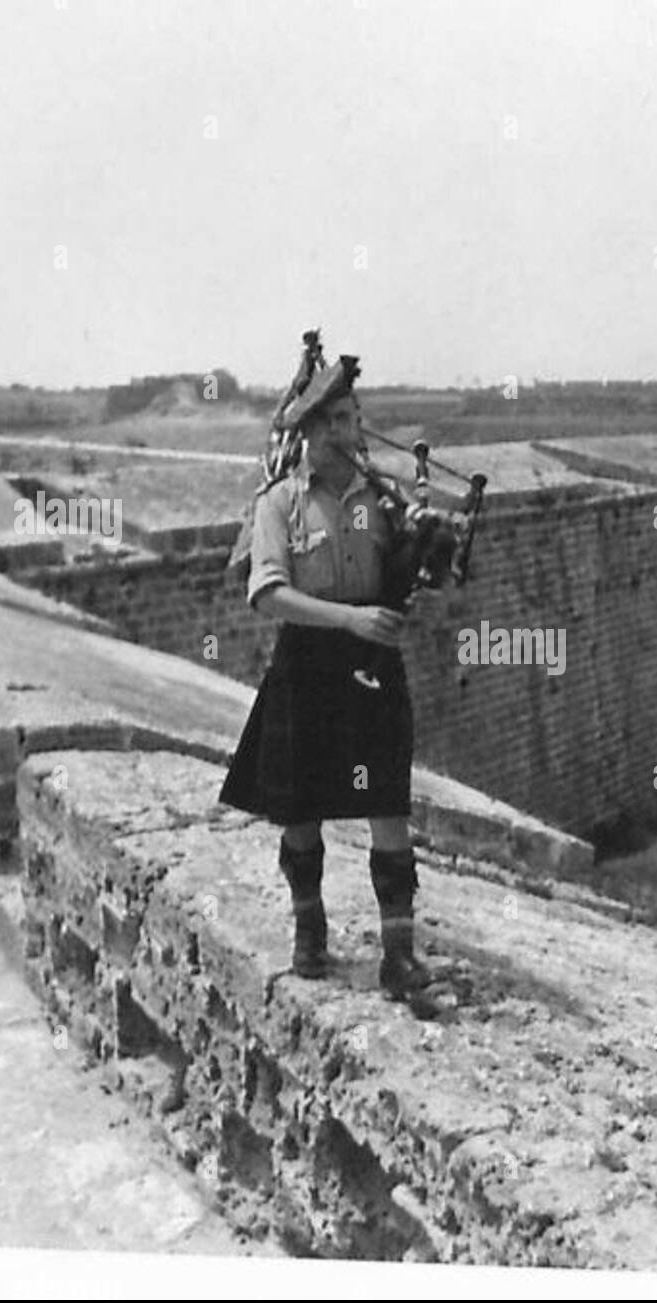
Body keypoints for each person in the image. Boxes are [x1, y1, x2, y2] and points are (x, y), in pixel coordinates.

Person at [218, 355, 432, 1001]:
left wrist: (432, 548)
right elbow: (267, 594)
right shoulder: (280, 503)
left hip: (372, 667)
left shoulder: (383, 499)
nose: (350, 431)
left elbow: (420, 578)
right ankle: (310, 934)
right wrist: (351, 619)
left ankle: (399, 955)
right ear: (307, 431)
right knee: (299, 809)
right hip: (307, 664)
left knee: (387, 803)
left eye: (354, 418)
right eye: (336, 419)